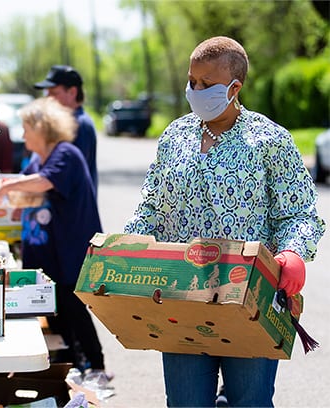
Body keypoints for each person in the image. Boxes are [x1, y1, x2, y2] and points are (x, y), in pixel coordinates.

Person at [124, 36, 326, 407]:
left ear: (235, 87)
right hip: (181, 296)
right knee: (186, 403)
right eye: (192, 81)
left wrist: (295, 252)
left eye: (206, 84)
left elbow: (299, 213)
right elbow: (150, 208)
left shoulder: (269, 140)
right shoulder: (174, 137)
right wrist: (126, 249)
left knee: (250, 402)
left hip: (249, 298)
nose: (195, 90)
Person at [0, 97, 108, 379]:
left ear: (41, 127)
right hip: (48, 253)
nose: (22, 135)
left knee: (73, 308)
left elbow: (44, 182)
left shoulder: (65, 153)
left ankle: (95, 367)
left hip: (69, 250)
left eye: (25, 128)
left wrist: (5, 186)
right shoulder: (38, 159)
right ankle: (68, 366)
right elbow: (26, 192)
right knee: (54, 310)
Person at [34, 65, 98, 194]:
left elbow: (65, 175)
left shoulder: (79, 124)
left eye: (54, 93)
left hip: (74, 210)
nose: (49, 98)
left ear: (72, 92)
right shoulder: (65, 122)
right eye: (47, 93)